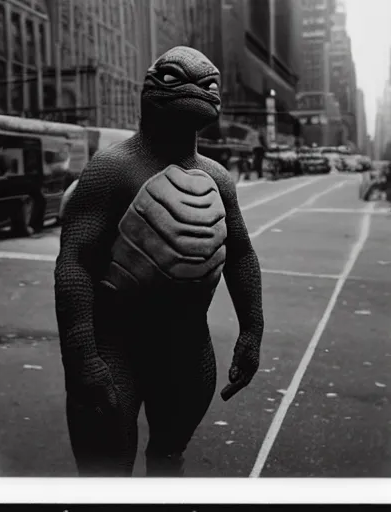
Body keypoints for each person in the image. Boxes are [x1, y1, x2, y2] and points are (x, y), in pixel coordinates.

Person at [55, 46, 264, 477]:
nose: (199, 89)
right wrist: (83, 358)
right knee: (105, 469)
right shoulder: (111, 168)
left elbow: (240, 254)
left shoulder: (218, 178)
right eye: (174, 79)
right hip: (115, 344)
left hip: (188, 346)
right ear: (148, 89)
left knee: (169, 458)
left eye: (209, 84)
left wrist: (252, 331)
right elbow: (74, 263)